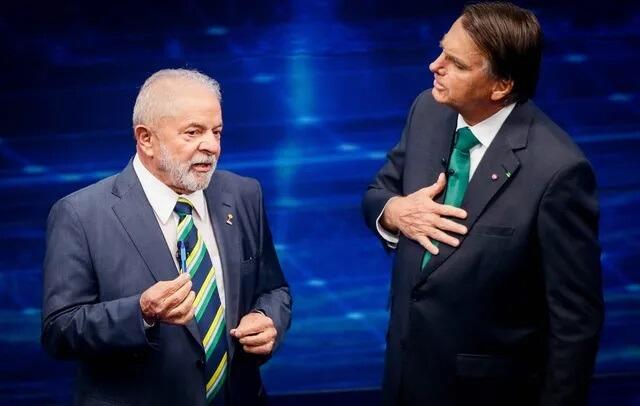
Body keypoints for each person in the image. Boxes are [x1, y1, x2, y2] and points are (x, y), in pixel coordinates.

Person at [362, 3, 603, 405]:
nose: (434, 66)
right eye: (442, 49)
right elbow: (378, 194)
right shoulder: (428, 110)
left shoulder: (559, 172)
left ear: (501, 86)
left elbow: (575, 325)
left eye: (456, 63)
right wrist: (396, 213)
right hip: (404, 378)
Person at [41, 69, 291, 405]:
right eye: (193, 132)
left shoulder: (244, 194)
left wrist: (266, 318)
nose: (211, 146)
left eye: (217, 132)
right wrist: (140, 313)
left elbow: (274, 289)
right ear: (146, 138)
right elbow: (59, 330)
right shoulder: (80, 215)